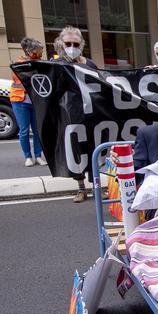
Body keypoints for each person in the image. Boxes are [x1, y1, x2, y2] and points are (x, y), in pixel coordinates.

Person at [54, 26, 98, 202]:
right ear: (61, 44)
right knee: (76, 151)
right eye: (68, 43)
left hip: (92, 113)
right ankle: (81, 189)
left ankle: (95, 186)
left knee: (93, 148)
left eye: (76, 43)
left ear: (82, 44)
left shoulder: (90, 64)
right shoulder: (57, 65)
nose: (72, 46)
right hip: (70, 114)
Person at [10, 37, 47, 167]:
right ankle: (28, 156)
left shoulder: (39, 62)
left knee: (37, 130)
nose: (40, 53)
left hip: (35, 102)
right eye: (37, 51)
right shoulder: (19, 64)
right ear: (29, 51)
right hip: (20, 101)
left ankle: (38, 156)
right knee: (24, 130)